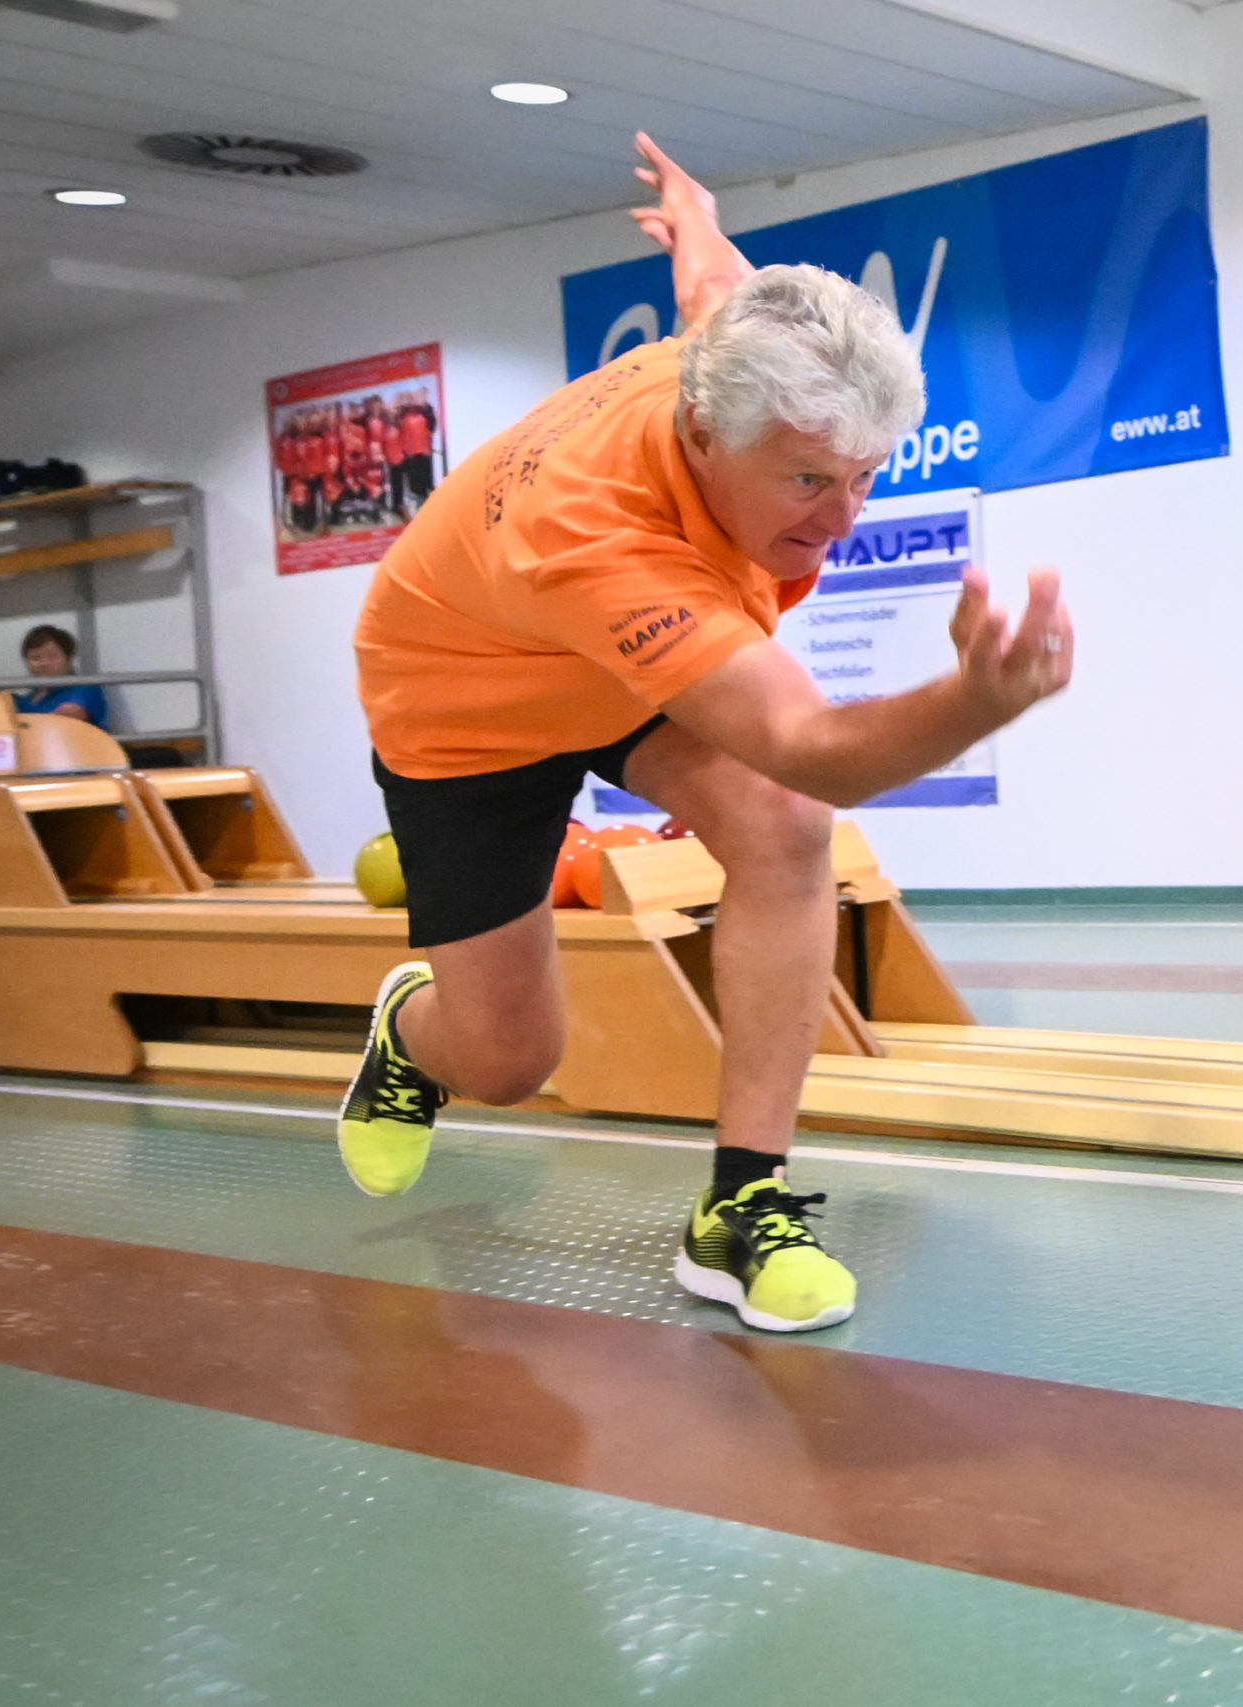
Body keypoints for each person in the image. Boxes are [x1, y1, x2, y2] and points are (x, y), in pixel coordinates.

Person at [342, 132, 1073, 1335]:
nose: (842, 518)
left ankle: (741, 1206)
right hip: (466, 696)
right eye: (807, 482)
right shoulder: (595, 534)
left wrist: (695, 219)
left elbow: (715, 286)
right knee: (508, 1064)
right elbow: (811, 741)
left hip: (611, 657)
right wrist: (975, 701)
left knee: (786, 827)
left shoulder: (734, 361)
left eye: (864, 475)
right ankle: (412, 1037)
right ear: (700, 435)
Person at [12, 624, 109, 728]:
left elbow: (70, 714)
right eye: (35, 658)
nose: (44, 663)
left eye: (52, 656)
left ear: (68, 659)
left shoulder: (85, 688)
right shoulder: (25, 700)